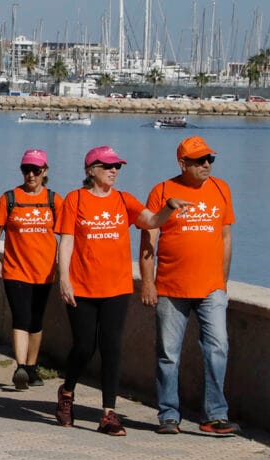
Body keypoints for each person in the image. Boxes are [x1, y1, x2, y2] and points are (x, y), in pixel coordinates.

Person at [55, 146, 190, 436]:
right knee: (83, 347)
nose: (114, 170)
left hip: (116, 287)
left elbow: (151, 222)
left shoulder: (123, 200)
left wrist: (168, 207)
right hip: (83, 286)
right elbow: (66, 241)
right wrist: (63, 279)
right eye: (107, 166)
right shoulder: (74, 199)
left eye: (117, 166)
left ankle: (108, 414)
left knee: (112, 348)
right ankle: (67, 393)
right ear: (91, 170)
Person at [139, 136, 240, 436]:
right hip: (171, 287)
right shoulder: (163, 191)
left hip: (211, 289)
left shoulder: (221, 189)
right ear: (183, 163)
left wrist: (222, 282)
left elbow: (225, 238)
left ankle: (214, 415)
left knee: (218, 348)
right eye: (199, 160)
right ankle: (169, 415)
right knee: (168, 354)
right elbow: (148, 238)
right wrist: (148, 282)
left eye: (210, 159)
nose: (206, 164)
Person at [0, 148, 62, 390]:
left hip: (44, 272)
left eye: (36, 170)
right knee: (21, 318)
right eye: (26, 170)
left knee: (36, 321)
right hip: (15, 270)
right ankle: (20, 366)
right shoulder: (8, 199)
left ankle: (32, 367)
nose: (30, 175)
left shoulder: (54, 200)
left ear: (45, 171)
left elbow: (68, 235)